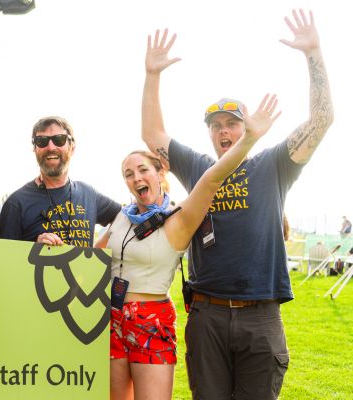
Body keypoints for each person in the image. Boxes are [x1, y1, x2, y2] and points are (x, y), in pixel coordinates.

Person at [141, 9, 333, 399]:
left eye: (231, 123)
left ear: (248, 129)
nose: (223, 131)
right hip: (207, 314)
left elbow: (321, 120)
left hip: (260, 315)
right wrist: (153, 75)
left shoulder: (273, 165)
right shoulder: (197, 168)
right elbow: (152, 134)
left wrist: (313, 52)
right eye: (216, 126)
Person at [96, 39, 280, 400]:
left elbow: (212, 179)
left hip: (153, 318)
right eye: (127, 173)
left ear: (161, 172)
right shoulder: (122, 216)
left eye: (143, 169)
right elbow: (91, 257)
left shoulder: (178, 218)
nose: (136, 178)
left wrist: (249, 141)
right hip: (113, 319)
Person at [0, 116, 120, 247]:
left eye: (59, 140)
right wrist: (34, 248)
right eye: (42, 141)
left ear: (72, 147)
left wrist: (99, 248)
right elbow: (3, 262)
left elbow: (125, 218)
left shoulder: (89, 194)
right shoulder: (15, 204)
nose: (51, 147)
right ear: (34, 149)